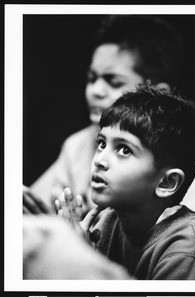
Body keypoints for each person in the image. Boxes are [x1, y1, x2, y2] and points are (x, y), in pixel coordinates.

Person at [23, 15, 186, 215]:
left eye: (113, 81)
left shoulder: (193, 160)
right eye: (92, 79)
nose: (94, 91)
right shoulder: (77, 146)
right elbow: (35, 206)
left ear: (160, 94)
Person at [55, 82, 195, 280]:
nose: (99, 160)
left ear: (166, 183)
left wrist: (84, 263)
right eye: (101, 143)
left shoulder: (184, 248)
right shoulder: (107, 222)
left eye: (124, 150)